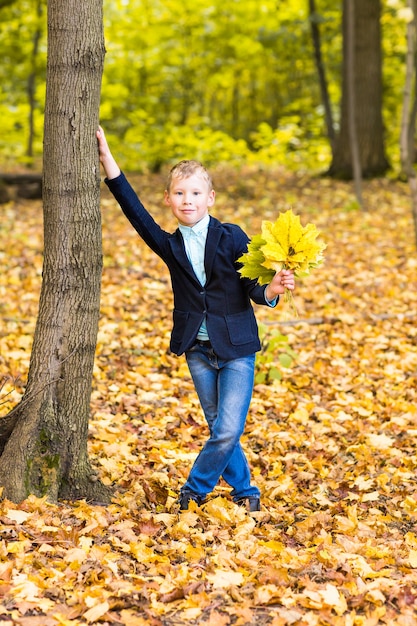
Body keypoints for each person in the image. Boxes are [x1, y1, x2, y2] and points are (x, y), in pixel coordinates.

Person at [96, 127, 295, 512]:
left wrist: (272, 288)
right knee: (221, 430)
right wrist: (106, 156)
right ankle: (246, 493)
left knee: (227, 429)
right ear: (169, 200)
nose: (188, 200)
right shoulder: (169, 245)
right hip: (199, 352)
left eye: (196, 193)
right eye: (180, 193)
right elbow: (132, 206)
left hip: (237, 349)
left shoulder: (232, 236)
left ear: (210, 198)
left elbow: (255, 288)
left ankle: (194, 489)